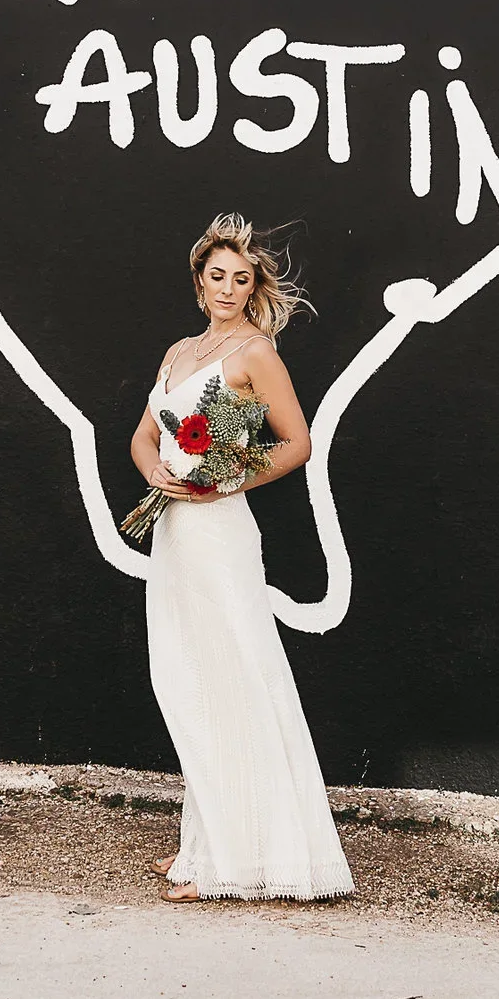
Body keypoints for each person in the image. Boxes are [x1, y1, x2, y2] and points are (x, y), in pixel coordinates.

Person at [129, 213, 355, 903]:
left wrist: (220, 479)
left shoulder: (255, 353)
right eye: (217, 275)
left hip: (220, 533)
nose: (228, 287)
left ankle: (232, 860)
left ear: (253, 287)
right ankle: (206, 839)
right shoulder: (178, 351)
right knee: (189, 682)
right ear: (199, 281)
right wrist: (159, 476)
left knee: (233, 679)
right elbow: (143, 437)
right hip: (175, 534)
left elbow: (296, 442)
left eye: (242, 278)